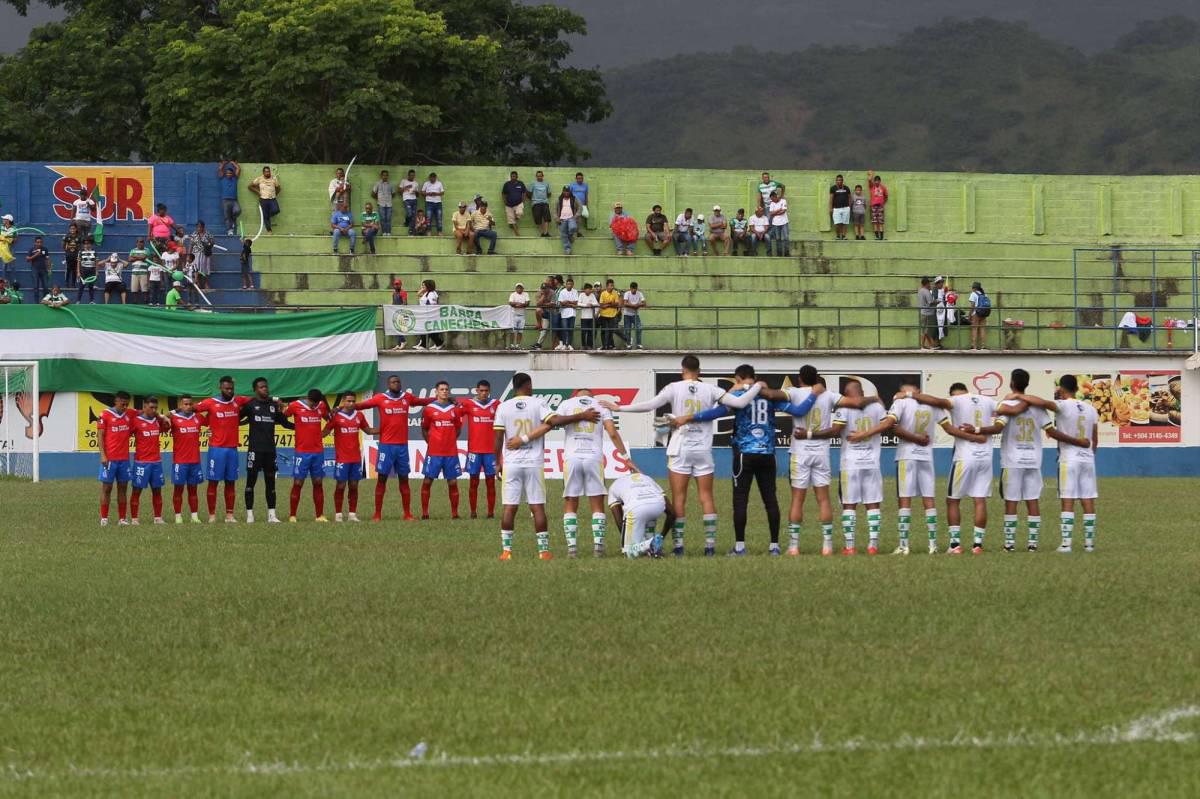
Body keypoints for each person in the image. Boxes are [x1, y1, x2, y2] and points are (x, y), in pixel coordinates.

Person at [602, 355, 764, 556]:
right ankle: (710, 547)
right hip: (703, 448)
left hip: (680, 448)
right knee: (706, 497)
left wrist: (620, 408)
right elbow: (740, 403)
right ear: (699, 371)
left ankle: (678, 547)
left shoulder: (673, 387)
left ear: (683, 370)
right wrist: (757, 386)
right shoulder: (711, 389)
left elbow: (651, 405)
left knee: (679, 498)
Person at [672, 365, 820, 556]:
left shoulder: (737, 398)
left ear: (740, 378)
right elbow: (799, 411)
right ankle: (774, 546)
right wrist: (814, 394)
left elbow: (715, 413)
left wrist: (690, 417)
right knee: (770, 500)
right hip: (767, 454)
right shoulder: (769, 396)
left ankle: (740, 547)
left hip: (744, 454)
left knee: (741, 500)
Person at [493, 372, 601, 559]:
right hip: (534, 462)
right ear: (528, 385)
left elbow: (498, 437)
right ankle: (543, 552)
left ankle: (506, 551)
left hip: (511, 462)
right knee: (537, 507)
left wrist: (497, 462)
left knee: (509, 507)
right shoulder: (538, 403)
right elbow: (555, 421)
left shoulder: (503, 407)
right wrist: (583, 415)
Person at [522, 389, 634, 558]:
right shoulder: (601, 405)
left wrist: (525, 438)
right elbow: (612, 433)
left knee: (570, 503)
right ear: (591, 396)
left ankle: (572, 549)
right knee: (597, 503)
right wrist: (626, 457)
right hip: (594, 458)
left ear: (577, 396)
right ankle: (598, 548)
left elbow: (553, 423)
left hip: (572, 458)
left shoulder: (566, 404)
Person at [783, 366, 879, 556]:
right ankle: (827, 546)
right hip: (821, 453)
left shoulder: (793, 392)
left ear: (800, 379)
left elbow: (772, 394)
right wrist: (874, 398)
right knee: (824, 499)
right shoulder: (829, 395)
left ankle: (794, 546)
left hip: (800, 453)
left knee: (797, 500)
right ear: (816, 378)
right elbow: (857, 403)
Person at [908, 383, 1002, 554]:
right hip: (986, 457)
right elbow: (1005, 410)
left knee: (952, 500)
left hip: (964, 457)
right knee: (980, 500)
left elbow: (935, 401)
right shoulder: (987, 400)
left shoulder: (956, 401)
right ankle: (977, 545)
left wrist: (909, 394)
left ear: (953, 394)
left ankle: (955, 545)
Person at [1016, 374, 1100, 553]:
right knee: (1088, 499)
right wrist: (1090, 455)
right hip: (1087, 459)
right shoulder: (1090, 409)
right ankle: (1089, 544)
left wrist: (1018, 395)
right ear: (1077, 389)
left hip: (1068, 458)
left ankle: (1066, 544)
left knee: (1067, 499)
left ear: (1060, 389)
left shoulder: (1061, 406)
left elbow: (1040, 402)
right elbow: (1095, 438)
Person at [356, 375, 435, 521]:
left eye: (398, 381)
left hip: (402, 447)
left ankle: (407, 513)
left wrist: (437, 399)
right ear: (388, 384)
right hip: (386, 446)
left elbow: (421, 401)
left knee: (404, 479)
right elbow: (362, 405)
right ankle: (377, 514)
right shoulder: (380, 398)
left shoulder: (407, 397)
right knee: (382, 479)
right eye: (393, 382)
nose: (396, 384)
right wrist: (344, 407)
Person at [831, 379, 888, 554]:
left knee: (849, 505)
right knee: (873, 504)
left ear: (847, 395)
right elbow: (888, 423)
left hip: (850, 464)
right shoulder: (877, 407)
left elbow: (835, 429)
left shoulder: (843, 408)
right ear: (862, 392)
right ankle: (873, 545)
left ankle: (850, 546)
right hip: (871, 463)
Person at [885, 382, 939, 554]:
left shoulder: (901, 402)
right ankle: (932, 545)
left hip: (906, 455)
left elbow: (892, 426)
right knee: (929, 499)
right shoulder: (932, 404)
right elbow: (947, 425)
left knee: (904, 498)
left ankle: (904, 545)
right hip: (926, 455)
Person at [197, 377, 252, 523]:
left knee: (231, 482)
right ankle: (212, 516)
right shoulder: (210, 403)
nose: (230, 391)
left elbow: (257, 400)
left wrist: (276, 400)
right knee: (213, 482)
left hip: (232, 449)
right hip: (216, 449)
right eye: (227, 388)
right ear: (220, 388)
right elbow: (191, 409)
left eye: (231, 388)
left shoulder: (238, 401)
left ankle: (229, 515)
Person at [240, 377, 293, 524]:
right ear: (255, 390)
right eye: (262, 387)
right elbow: (236, 419)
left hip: (270, 451)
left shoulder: (273, 406)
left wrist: (301, 428)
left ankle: (272, 515)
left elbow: (285, 423)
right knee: (251, 482)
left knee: (271, 483)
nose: (265, 389)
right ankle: (250, 515)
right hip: (254, 450)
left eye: (266, 386)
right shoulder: (250, 405)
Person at [326, 392, 375, 523]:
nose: (351, 403)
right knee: (341, 485)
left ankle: (352, 514)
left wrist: (386, 429)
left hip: (356, 458)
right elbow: (325, 432)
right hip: (342, 458)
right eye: (348, 401)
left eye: (353, 401)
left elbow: (368, 430)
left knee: (354, 485)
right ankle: (338, 515)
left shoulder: (359, 415)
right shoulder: (336, 416)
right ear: (343, 401)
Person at [282, 389, 330, 522]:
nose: (315, 406)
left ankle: (319, 515)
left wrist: (325, 431)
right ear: (308, 398)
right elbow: (283, 416)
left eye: (317, 404)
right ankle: (292, 515)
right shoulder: (295, 405)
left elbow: (330, 420)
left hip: (318, 452)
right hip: (302, 452)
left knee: (318, 482)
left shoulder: (321, 406)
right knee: (298, 483)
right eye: (313, 403)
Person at [419, 381, 464, 519]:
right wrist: (431, 442)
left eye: (446, 389)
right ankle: (425, 513)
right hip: (434, 452)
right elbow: (424, 428)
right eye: (442, 389)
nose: (444, 391)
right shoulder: (428, 409)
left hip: (450, 452)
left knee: (453, 482)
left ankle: (455, 514)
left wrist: (449, 440)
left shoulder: (455, 409)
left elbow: (458, 428)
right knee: (427, 481)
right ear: (436, 392)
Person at [606, 471, 676, 558]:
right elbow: (672, 513)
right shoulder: (647, 478)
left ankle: (650, 544)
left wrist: (626, 541)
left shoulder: (613, 487)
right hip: (658, 504)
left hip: (636, 507)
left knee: (628, 553)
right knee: (639, 542)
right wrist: (662, 536)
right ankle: (653, 548)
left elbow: (619, 519)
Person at [459, 380, 500, 519]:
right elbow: (454, 414)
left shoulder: (496, 404)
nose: (483, 393)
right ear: (477, 390)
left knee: (490, 482)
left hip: (490, 451)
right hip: (474, 451)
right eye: (481, 391)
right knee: (473, 482)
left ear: (489, 391)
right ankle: (473, 512)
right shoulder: (468, 404)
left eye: (486, 391)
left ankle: (490, 512)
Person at [97, 390, 137, 526]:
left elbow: (147, 413)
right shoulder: (105, 414)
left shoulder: (130, 414)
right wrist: (103, 454)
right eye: (122, 404)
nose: (125, 407)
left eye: (127, 404)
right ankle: (104, 518)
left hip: (124, 459)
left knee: (123, 488)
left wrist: (166, 416)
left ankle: (122, 518)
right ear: (116, 401)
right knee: (107, 488)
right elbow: (100, 435)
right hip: (109, 459)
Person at [128, 396, 170, 526]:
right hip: (141, 462)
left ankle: (158, 518)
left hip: (156, 462)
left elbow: (167, 427)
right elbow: (125, 434)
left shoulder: (157, 421)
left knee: (157, 490)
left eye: (155, 408)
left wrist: (162, 417)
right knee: (136, 491)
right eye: (151, 407)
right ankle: (134, 519)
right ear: (144, 407)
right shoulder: (136, 421)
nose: (154, 410)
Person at [169, 395, 205, 523]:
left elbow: (210, 421)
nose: (188, 406)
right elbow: (163, 420)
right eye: (185, 404)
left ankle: (194, 516)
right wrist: (173, 412)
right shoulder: (174, 419)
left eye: (190, 404)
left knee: (193, 490)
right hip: (180, 461)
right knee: (178, 489)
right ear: (180, 405)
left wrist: (197, 408)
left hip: (195, 461)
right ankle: (178, 516)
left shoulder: (198, 418)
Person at [248, 167, 281, 233]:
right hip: (263, 199)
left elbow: (278, 188)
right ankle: (269, 230)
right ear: (263, 172)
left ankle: (268, 215)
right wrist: (258, 192)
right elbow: (250, 186)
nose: (268, 173)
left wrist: (275, 194)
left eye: (269, 171)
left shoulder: (274, 178)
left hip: (272, 199)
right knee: (265, 216)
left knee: (276, 210)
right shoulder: (259, 179)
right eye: (266, 172)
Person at [415, 279, 444, 350]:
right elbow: (418, 294)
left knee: (428, 331)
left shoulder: (431, 294)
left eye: (424, 286)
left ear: (428, 286)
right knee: (425, 330)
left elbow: (431, 305)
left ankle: (437, 343)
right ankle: (436, 343)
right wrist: (422, 289)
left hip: (429, 315)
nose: (422, 287)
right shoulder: (427, 293)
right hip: (424, 314)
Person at [218, 159, 242, 235]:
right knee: (227, 216)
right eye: (227, 173)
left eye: (230, 173)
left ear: (232, 174)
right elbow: (220, 169)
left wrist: (233, 163)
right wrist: (223, 164)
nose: (229, 174)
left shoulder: (235, 179)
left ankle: (233, 219)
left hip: (234, 200)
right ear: (226, 174)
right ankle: (230, 230)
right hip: (225, 200)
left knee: (238, 210)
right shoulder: (223, 179)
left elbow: (238, 169)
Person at [501, 171, 527, 236]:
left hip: (519, 203)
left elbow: (524, 192)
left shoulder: (521, 184)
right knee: (512, 221)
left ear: (517, 177)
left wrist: (523, 201)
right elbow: (503, 194)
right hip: (509, 205)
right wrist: (505, 201)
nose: (513, 178)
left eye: (514, 176)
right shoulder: (507, 184)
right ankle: (517, 234)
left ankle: (515, 218)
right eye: (512, 176)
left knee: (519, 213)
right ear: (510, 177)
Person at [598, 278, 622, 350]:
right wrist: (610, 304)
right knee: (604, 331)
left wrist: (608, 305)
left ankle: (609, 345)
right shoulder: (603, 293)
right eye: (611, 285)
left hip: (612, 315)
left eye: (613, 285)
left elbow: (617, 304)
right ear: (607, 286)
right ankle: (604, 345)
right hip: (603, 315)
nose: (612, 287)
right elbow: (602, 305)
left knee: (611, 330)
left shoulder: (615, 293)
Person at [622, 281, 646, 350]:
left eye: (635, 289)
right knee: (627, 330)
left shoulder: (640, 293)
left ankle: (639, 344)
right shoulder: (627, 293)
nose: (633, 290)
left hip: (636, 315)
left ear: (636, 288)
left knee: (639, 328)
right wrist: (634, 306)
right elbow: (625, 303)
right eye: (632, 289)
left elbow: (644, 303)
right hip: (627, 314)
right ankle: (628, 344)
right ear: (630, 288)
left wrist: (637, 305)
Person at [556, 185, 580, 254]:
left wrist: (576, 216)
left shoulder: (574, 199)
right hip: (562, 219)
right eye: (565, 191)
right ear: (563, 192)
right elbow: (554, 210)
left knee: (573, 227)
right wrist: (556, 218)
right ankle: (567, 249)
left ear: (570, 192)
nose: (566, 193)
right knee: (563, 234)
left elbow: (580, 208)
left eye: (568, 191)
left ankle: (570, 236)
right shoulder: (559, 199)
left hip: (571, 218)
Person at [557, 277, 578, 350]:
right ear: (566, 284)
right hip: (564, 314)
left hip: (572, 313)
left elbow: (575, 302)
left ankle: (569, 344)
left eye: (571, 284)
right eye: (568, 284)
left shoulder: (575, 291)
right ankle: (564, 344)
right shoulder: (562, 292)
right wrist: (571, 304)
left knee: (571, 329)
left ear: (573, 285)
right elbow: (561, 303)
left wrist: (567, 302)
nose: (569, 285)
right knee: (565, 329)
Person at [918, 276, 939, 349]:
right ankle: (927, 345)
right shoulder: (926, 291)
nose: (930, 285)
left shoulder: (920, 290)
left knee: (924, 330)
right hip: (928, 313)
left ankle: (925, 345)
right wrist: (937, 302)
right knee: (926, 330)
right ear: (926, 284)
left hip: (923, 312)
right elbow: (930, 302)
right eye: (929, 283)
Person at [529, 170, 551, 237]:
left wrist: (544, 198)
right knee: (538, 219)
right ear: (536, 176)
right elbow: (528, 193)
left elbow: (549, 193)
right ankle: (542, 233)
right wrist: (534, 199)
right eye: (538, 176)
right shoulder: (533, 183)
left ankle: (546, 232)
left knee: (546, 218)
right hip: (535, 203)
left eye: (540, 176)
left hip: (544, 202)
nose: (539, 177)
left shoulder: (546, 183)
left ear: (542, 176)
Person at [968, 281, 990, 350]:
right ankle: (983, 345)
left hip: (976, 314)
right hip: (984, 313)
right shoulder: (985, 294)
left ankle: (973, 346)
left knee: (974, 328)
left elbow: (972, 305)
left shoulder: (973, 294)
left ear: (974, 288)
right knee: (982, 328)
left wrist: (969, 315)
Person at [372, 169, 394, 235]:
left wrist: (388, 198)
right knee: (383, 218)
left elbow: (393, 193)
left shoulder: (391, 184)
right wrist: (379, 198)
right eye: (384, 175)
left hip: (389, 204)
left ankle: (388, 232)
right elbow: (373, 193)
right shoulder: (377, 183)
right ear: (381, 176)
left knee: (388, 218)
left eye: (386, 175)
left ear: (388, 176)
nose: (385, 177)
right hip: (381, 204)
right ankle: (384, 232)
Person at [767, 190, 790, 256]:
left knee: (786, 238)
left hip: (784, 222)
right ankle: (779, 253)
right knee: (778, 239)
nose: (772, 200)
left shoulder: (783, 201)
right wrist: (779, 209)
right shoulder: (772, 203)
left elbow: (783, 211)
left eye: (772, 198)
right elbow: (771, 213)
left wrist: (775, 213)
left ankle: (786, 253)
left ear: (775, 196)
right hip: (775, 224)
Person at [507, 282, 529, 350]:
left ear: (522, 289)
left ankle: (517, 345)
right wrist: (519, 303)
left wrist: (519, 305)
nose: (519, 289)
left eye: (520, 288)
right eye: (518, 288)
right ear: (516, 289)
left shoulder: (525, 294)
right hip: (514, 315)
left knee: (520, 331)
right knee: (513, 331)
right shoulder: (513, 294)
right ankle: (511, 345)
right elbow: (511, 303)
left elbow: (527, 303)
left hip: (522, 315)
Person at [577, 282, 599, 349]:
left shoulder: (592, 295)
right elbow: (578, 303)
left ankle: (589, 345)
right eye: (588, 289)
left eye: (590, 289)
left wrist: (591, 304)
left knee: (590, 331)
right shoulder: (581, 295)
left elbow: (596, 303)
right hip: (584, 317)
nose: (589, 291)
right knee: (583, 332)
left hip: (591, 317)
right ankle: (583, 345)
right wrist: (586, 305)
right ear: (585, 289)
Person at [830, 175, 852, 240]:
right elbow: (831, 199)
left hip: (846, 208)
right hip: (836, 208)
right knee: (837, 223)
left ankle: (844, 236)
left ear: (842, 181)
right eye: (838, 180)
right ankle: (838, 236)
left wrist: (849, 207)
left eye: (840, 180)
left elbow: (850, 197)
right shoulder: (833, 188)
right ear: (836, 181)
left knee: (845, 223)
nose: (839, 181)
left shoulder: (846, 188)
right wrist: (830, 208)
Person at [398, 169, 419, 234]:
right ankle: (406, 222)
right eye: (411, 175)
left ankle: (410, 230)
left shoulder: (416, 183)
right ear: (408, 175)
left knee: (413, 216)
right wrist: (406, 187)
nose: (412, 177)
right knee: (409, 214)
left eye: (413, 175)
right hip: (406, 199)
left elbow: (418, 195)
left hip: (414, 200)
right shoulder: (403, 181)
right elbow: (399, 191)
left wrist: (415, 192)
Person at [868, 170, 888, 239]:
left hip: (880, 206)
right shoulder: (872, 187)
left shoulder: (883, 187)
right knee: (875, 221)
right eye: (875, 181)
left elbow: (886, 196)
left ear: (880, 181)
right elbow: (870, 180)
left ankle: (881, 237)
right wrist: (871, 174)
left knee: (881, 221)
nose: (876, 182)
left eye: (878, 181)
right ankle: (877, 236)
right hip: (873, 206)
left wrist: (883, 202)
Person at [390, 279, 408, 350]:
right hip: (396, 313)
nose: (396, 286)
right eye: (395, 284)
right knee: (396, 328)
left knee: (400, 328)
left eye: (398, 284)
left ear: (400, 285)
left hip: (402, 313)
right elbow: (393, 302)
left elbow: (405, 303)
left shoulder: (403, 292)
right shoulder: (394, 293)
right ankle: (398, 344)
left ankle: (403, 341)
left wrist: (397, 308)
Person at [62, 223, 81, 288]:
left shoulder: (79, 237)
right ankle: (67, 283)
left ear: (76, 229)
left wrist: (76, 248)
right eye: (71, 229)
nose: (72, 230)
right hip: (69, 255)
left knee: (74, 270)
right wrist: (67, 250)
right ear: (69, 229)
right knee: (68, 270)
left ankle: (73, 284)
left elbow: (80, 246)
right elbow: (63, 245)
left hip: (76, 255)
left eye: (74, 228)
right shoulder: (67, 236)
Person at [0, 215, 15, 281]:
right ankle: (3, 282)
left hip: (10, 249)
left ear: (8, 221)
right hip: (3, 249)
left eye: (4, 219)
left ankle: (14, 283)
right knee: (3, 267)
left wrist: (8, 239)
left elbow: (15, 239)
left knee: (12, 267)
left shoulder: (14, 229)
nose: (3, 220)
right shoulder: (1, 227)